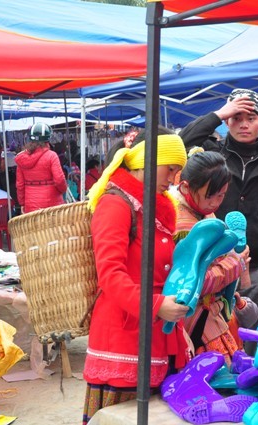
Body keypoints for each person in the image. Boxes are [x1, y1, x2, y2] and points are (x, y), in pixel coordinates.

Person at [82, 128, 191, 423]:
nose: (174, 178)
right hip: (124, 337)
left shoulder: (153, 209)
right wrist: (157, 306)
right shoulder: (116, 204)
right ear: (149, 161)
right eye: (171, 169)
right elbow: (110, 275)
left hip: (155, 333)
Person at [178, 88, 258, 353]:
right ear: (227, 122)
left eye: (250, 118)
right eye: (236, 118)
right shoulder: (213, 157)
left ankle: (249, 377)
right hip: (213, 266)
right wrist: (218, 113)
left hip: (257, 265)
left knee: (251, 335)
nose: (243, 124)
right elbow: (182, 141)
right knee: (214, 336)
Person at [171, 150, 256, 363]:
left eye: (221, 195)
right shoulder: (182, 225)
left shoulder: (203, 211)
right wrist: (234, 263)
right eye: (211, 195)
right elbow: (194, 282)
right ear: (185, 188)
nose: (215, 203)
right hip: (197, 320)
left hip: (213, 313)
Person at [15, 123, 67, 213]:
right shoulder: (52, 156)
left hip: (30, 205)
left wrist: (22, 203)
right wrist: (63, 190)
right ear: (47, 139)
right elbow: (59, 180)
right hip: (52, 205)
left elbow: (20, 185)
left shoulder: (21, 158)